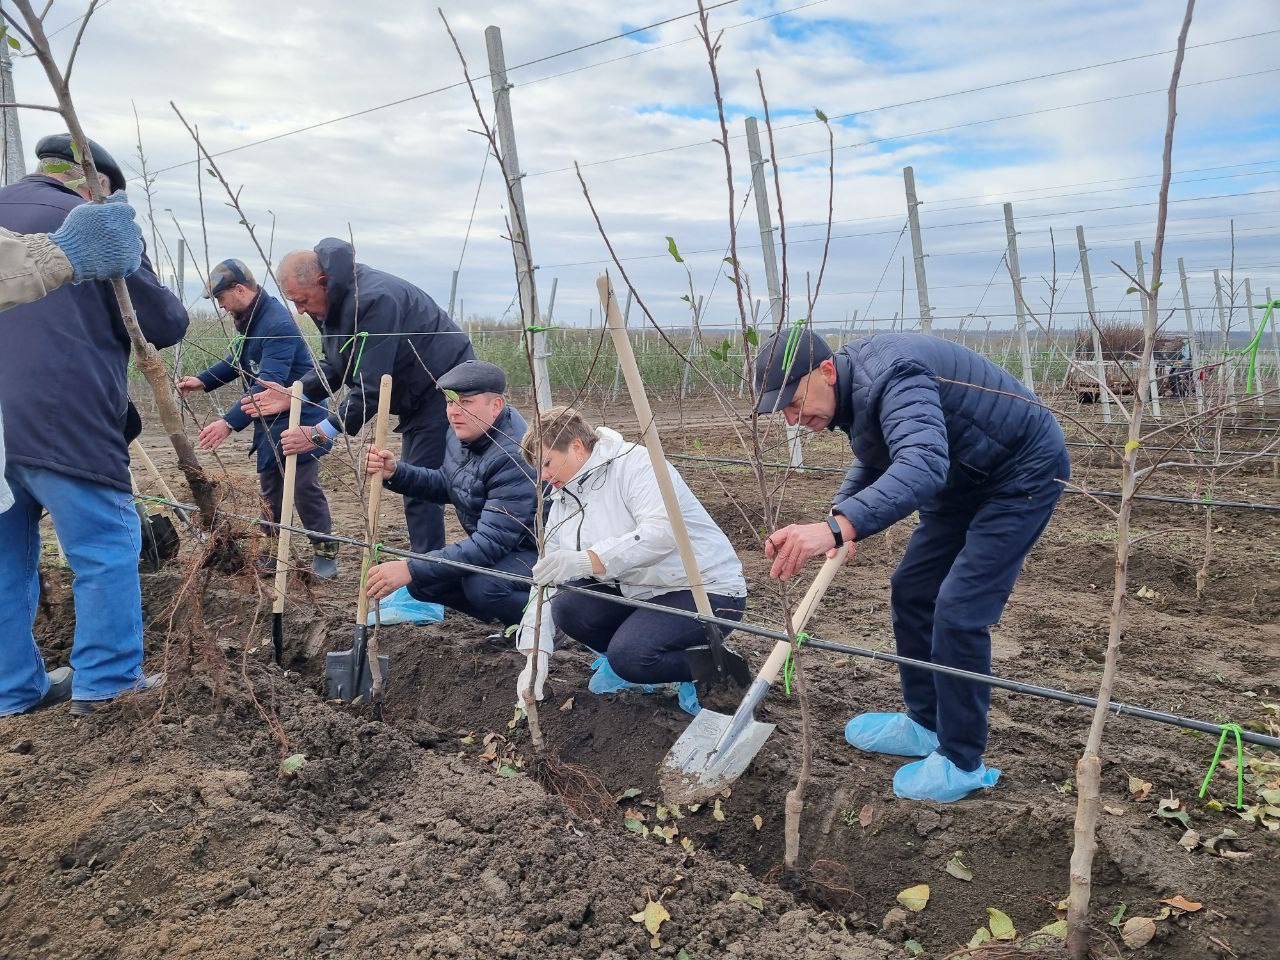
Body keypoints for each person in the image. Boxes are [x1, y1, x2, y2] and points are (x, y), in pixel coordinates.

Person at [755, 327, 1069, 803]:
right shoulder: (856, 390)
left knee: (961, 610)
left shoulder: (896, 374)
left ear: (825, 371)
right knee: (912, 589)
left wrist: (839, 528)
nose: (793, 420)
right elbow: (878, 454)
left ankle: (963, 759)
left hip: (1018, 472)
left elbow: (921, 463)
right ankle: (925, 722)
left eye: (794, 403)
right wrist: (839, 517)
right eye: (784, 412)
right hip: (962, 475)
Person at [0, 134, 188, 717]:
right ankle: (106, 684)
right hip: (67, 421)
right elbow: (164, 322)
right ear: (96, 184)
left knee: (5, 560)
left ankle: (12, 689)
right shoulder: (100, 223)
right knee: (105, 548)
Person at [242, 239, 473, 624]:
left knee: (433, 485)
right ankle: (432, 582)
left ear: (321, 281)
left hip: (441, 388)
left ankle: (432, 593)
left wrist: (320, 433)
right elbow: (336, 365)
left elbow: (370, 387)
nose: (298, 310)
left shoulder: (373, 300)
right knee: (422, 486)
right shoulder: (331, 302)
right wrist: (293, 393)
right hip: (415, 393)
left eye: (300, 300)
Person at [514, 406, 748, 716]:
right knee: (569, 606)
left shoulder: (636, 465)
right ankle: (635, 663)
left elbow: (663, 533)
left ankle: (717, 668)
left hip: (704, 588)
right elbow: (544, 579)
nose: (543, 477)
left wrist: (591, 559)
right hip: (641, 591)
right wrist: (535, 655)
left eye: (547, 464)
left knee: (633, 656)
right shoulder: (563, 499)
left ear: (577, 447)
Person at [175, 259, 338, 578]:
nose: (221, 306)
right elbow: (237, 360)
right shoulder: (249, 319)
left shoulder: (275, 323)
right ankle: (275, 553)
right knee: (271, 491)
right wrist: (204, 380)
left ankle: (325, 555)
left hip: (299, 416)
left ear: (239, 290)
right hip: (270, 422)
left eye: (222, 298)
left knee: (304, 489)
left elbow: (267, 389)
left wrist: (228, 423)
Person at [363, 360, 537, 630]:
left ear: (496, 405)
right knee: (423, 584)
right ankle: (512, 621)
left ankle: (542, 624)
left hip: (536, 552)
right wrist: (396, 472)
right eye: (450, 402)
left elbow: (489, 544)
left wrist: (411, 566)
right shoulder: (464, 433)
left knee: (483, 585)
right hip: (503, 547)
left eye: (466, 402)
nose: (454, 412)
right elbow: (452, 484)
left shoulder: (513, 455)